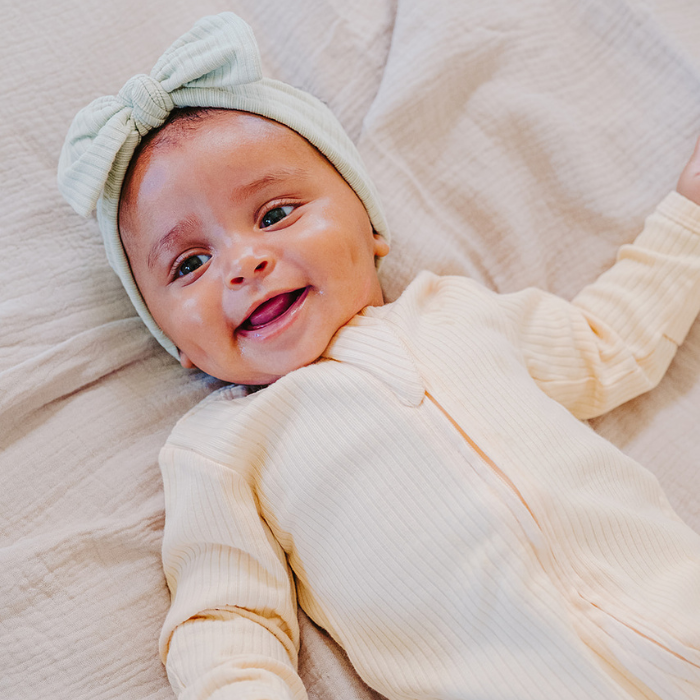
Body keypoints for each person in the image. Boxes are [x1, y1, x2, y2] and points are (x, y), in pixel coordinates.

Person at [58, 12, 700, 700]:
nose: (243, 262)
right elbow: (229, 618)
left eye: (274, 214)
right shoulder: (223, 450)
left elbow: (607, 343)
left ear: (370, 228)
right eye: (189, 264)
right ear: (175, 343)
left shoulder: (457, 314)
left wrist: (689, 214)